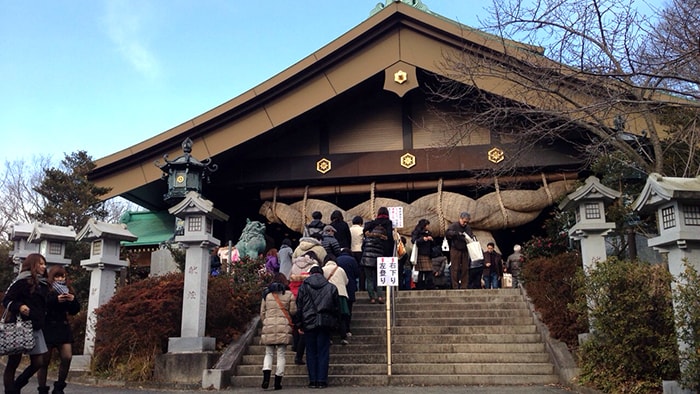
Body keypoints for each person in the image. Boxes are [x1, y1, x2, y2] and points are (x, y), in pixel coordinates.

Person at [2, 253, 50, 394]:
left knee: (38, 362)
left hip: (36, 326)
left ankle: (16, 386)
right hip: (19, 326)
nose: (43, 266)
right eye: (40, 264)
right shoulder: (21, 281)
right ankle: (10, 391)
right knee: (13, 362)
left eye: (44, 263)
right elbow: (6, 300)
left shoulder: (44, 283)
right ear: (32, 265)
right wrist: (20, 306)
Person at [36, 267, 80, 394]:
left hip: (63, 327)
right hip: (48, 327)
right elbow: (41, 305)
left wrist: (72, 301)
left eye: (62, 276)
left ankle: (59, 387)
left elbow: (74, 311)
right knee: (44, 361)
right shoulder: (45, 288)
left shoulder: (68, 290)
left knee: (67, 357)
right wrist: (55, 300)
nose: (60, 279)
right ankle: (42, 389)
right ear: (52, 277)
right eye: (57, 276)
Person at [295, 266, 339, 389]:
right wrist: (336, 324)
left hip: (308, 323)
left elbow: (299, 307)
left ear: (311, 274)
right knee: (323, 351)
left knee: (311, 352)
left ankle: (313, 380)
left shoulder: (304, 287)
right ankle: (322, 380)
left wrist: (299, 323)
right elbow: (336, 308)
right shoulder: (331, 287)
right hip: (325, 323)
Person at [260, 273, 297, 390]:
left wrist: (266, 322)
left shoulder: (267, 295)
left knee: (268, 353)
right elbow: (293, 311)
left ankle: (266, 379)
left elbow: (262, 312)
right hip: (283, 327)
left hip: (269, 325)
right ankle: (277, 382)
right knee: (281, 355)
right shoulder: (289, 294)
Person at [321, 254, 350, 345]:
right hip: (341, 294)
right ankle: (343, 337)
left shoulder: (323, 269)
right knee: (342, 317)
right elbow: (346, 281)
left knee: (329, 316)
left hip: (328, 296)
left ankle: (330, 338)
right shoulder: (340, 269)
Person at [445, 211, 477, 289]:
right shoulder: (454, 225)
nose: (465, 223)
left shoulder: (468, 227)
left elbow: (471, 234)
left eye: (466, 222)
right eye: (464, 221)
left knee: (465, 268)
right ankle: (455, 286)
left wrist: (473, 238)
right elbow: (447, 233)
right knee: (455, 268)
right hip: (455, 249)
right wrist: (456, 233)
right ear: (460, 219)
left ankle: (464, 286)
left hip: (465, 249)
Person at [334, 248, 360, 337]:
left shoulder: (336, 260)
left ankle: (338, 328)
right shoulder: (352, 260)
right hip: (350, 287)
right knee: (348, 309)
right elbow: (357, 273)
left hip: (338, 288)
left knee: (338, 310)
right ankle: (347, 328)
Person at [360, 224, 387, 303]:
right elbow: (385, 249)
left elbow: (363, 248)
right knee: (379, 279)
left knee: (369, 279)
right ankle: (380, 297)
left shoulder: (367, 238)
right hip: (378, 261)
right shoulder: (382, 239)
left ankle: (372, 298)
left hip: (367, 260)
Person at [410, 219, 435, 290]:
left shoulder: (429, 232)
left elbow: (433, 244)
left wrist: (431, 240)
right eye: (427, 225)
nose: (428, 226)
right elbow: (414, 241)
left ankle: (429, 285)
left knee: (429, 271)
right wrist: (422, 239)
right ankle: (420, 286)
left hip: (428, 253)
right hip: (420, 253)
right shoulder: (416, 232)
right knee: (421, 272)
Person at [349, 216, 365, 290]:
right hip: (360, 251)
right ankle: (362, 287)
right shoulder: (362, 230)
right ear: (360, 223)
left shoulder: (349, 229)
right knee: (361, 270)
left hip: (351, 251)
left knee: (352, 270)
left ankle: (353, 288)